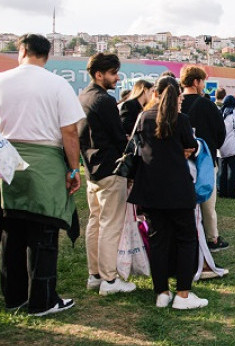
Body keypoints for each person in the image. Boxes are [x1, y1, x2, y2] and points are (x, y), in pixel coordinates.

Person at [0, 34, 84, 316]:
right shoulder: (57, 84)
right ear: (47, 55)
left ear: (22, 51)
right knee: (43, 231)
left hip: (8, 160)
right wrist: (73, 168)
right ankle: (43, 300)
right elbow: (69, 131)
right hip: (45, 162)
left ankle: (14, 296)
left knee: (11, 230)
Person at [128, 77, 208, 309]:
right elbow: (191, 146)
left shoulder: (144, 117)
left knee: (158, 241)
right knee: (186, 239)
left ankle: (161, 292)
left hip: (151, 189)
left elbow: (137, 147)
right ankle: (183, 294)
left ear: (156, 92)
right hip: (178, 189)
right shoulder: (181, 120)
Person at [77, 53, 137, 296]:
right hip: (110, 169)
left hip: (92, 169)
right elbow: (118, 136)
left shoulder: (83, 96)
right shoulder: (104, 100)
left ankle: (95, 275)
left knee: (95, 222)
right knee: (110, 225)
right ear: (99, 74)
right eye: (113, 73)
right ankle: (109, 280)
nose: (117, 77)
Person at [179, 65, 228, 252]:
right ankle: (212, 238)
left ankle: (187, 236)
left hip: (179, 161)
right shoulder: (208, 105)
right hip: (205, 159)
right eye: (203, 81)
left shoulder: (174, 103)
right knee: (208, 200)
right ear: (196, 82)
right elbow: (220, 133)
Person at [219, 95, 235, 198]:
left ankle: (222, 191)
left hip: (221, 146)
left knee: (223, 170)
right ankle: (231, 193)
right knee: (233, 171)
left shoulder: (220, 113)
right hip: (233, 145)